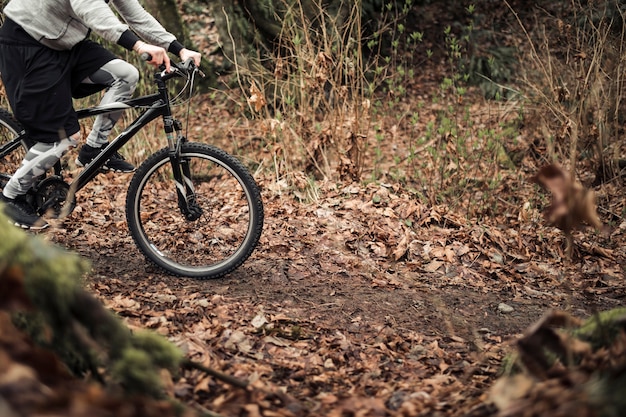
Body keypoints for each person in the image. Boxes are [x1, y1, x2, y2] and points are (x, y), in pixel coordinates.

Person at [0, 0, 202, 230]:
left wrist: (179, 48)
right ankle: (10, 197)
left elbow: (136, 15)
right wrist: (138, 46)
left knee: (126, 75)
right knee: (62, 137)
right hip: (27, 43)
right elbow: (92, 10)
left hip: (64, 44)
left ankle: (94, 148)